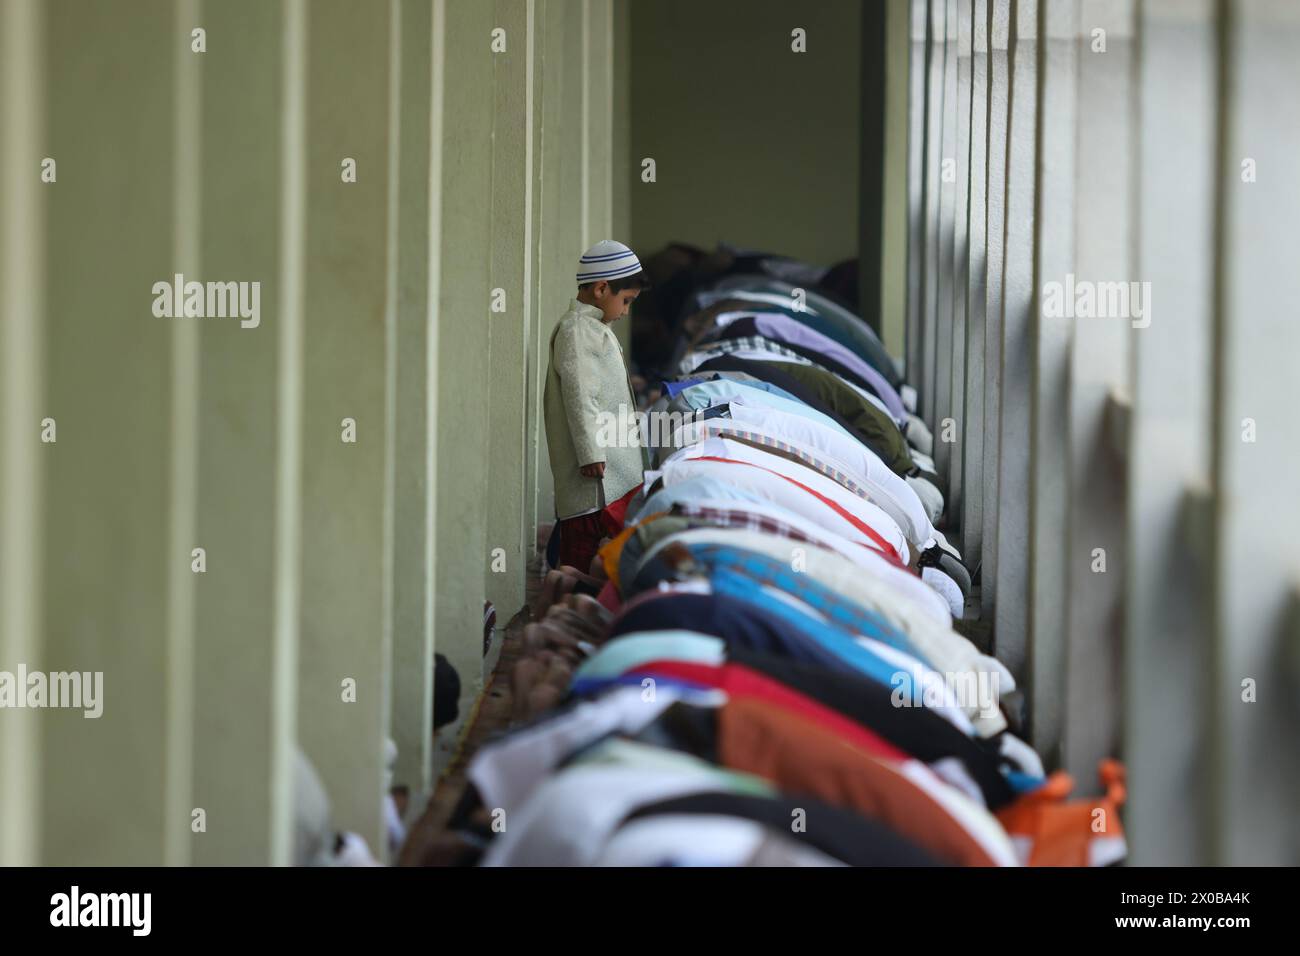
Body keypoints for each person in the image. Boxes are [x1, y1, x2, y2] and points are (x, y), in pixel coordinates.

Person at [543, 240, 650, 573]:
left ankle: (574, 607)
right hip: (595, 483)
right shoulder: (577, 331)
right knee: (582, 556)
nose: (626, 310)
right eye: (626, 301)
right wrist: (590, 453)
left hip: (613, 474)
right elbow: (580, 394)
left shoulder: (594, 329)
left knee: (599, 554)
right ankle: (565, 609)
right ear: (602, 288)